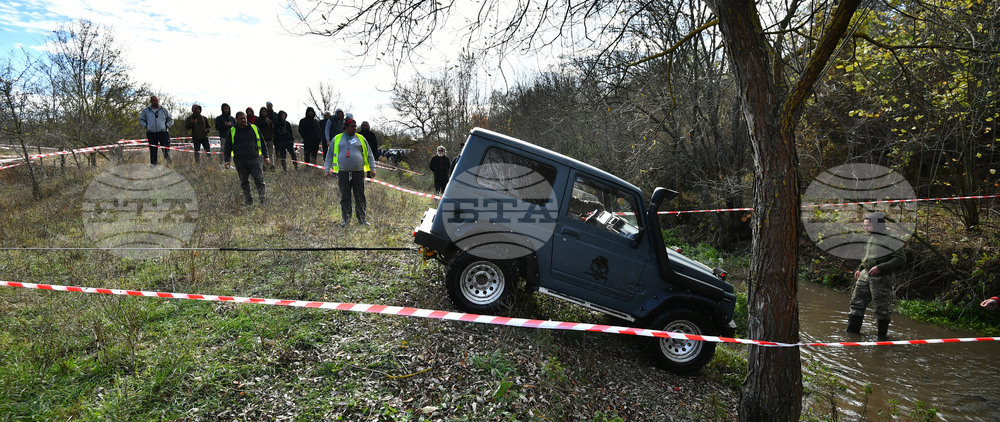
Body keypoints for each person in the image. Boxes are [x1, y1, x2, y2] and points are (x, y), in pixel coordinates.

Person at [845, 211, 907, 340]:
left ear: (878, 225)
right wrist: (860, 268)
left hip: (882, 278)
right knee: (856, 303)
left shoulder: (891, 238)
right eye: (864, 225)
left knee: (881, 308)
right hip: (865, 274)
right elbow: (870, 255)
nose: (865, 228)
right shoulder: (872, 235)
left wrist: (880, 267)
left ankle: (882, 338)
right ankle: (852, 333)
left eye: (868, 225)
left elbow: (901, 259)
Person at [324, 118, 375, 226]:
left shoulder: (361, 138)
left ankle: (362, 219)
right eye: (352, 126)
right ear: (345, 127)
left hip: (358, 172)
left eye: (355, 126)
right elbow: (329, 155)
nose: (354, 128)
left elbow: (369, 154)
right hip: (343, 172)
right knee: (345, 196)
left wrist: (372, 168)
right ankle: (346, 219)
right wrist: (327, 170)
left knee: (360, 196)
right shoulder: (337, 139)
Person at [223, 111, 270, 205]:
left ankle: (263, 201)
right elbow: (227, 146)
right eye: (241, 118)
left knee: (259, 181)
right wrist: (227, 160)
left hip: (254, 159)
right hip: (240, 161)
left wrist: (266, 156)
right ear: (236, 119)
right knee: (244, 182)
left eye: (244, 118)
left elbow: (262, 142)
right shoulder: (232, 130)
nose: (243, 120)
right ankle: (249, 201)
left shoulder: (254, 128)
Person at [139, 95, 174, 165]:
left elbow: (171, 120)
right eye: (154, 100)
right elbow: (141, 120)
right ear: (151, 101)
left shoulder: (164, 110)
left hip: (163, 132)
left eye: (156, 100)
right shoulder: (146, 110)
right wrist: (146, 126)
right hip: (151, 133)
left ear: (158, 101)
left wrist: (166, 126)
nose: (155, 102)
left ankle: (169, 165)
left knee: (166, 150)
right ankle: (153, 166)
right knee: (153, 151)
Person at [256, 107, 275, 171]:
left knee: (271, 154)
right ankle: (263, 167)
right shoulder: (257, 121)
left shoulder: (269, 120)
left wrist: (272, 136)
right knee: (263, 154)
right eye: (263, 111)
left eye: (265, 112)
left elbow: (272, 129)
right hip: (261, 140)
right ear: (260, 112)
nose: (264, 113)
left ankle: (272, 166)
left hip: (270, 140)